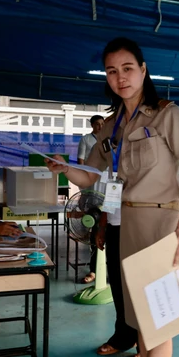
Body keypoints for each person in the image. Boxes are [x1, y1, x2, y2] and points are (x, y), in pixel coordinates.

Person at [45, 36, 179, 357]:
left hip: (160, 223)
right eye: (112, 71)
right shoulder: (113, 124)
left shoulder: (166, 114)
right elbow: (93, 178)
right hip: (124, 223)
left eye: (127, 68)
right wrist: (65, 170)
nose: (120, 77)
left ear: (143, 70)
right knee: (140, 320)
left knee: (160, 322)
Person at [94, 208, 141, 357]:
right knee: (118, 285)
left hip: (142, 226)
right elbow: (109, 197)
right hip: (115, 227)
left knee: (140, 289)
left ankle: (146, 347)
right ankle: (124, 338)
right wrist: (102, 227)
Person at [78, 116, 106, 284]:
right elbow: (81, 160)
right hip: (92, 188)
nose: (100, 127)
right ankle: (94, 270)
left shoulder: (111, 141)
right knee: (96, 230)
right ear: (92, 125)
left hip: (109, 189)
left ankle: (109, 270)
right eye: (98, 124)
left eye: (103, 124)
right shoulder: (86, 140)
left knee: (111, 231)